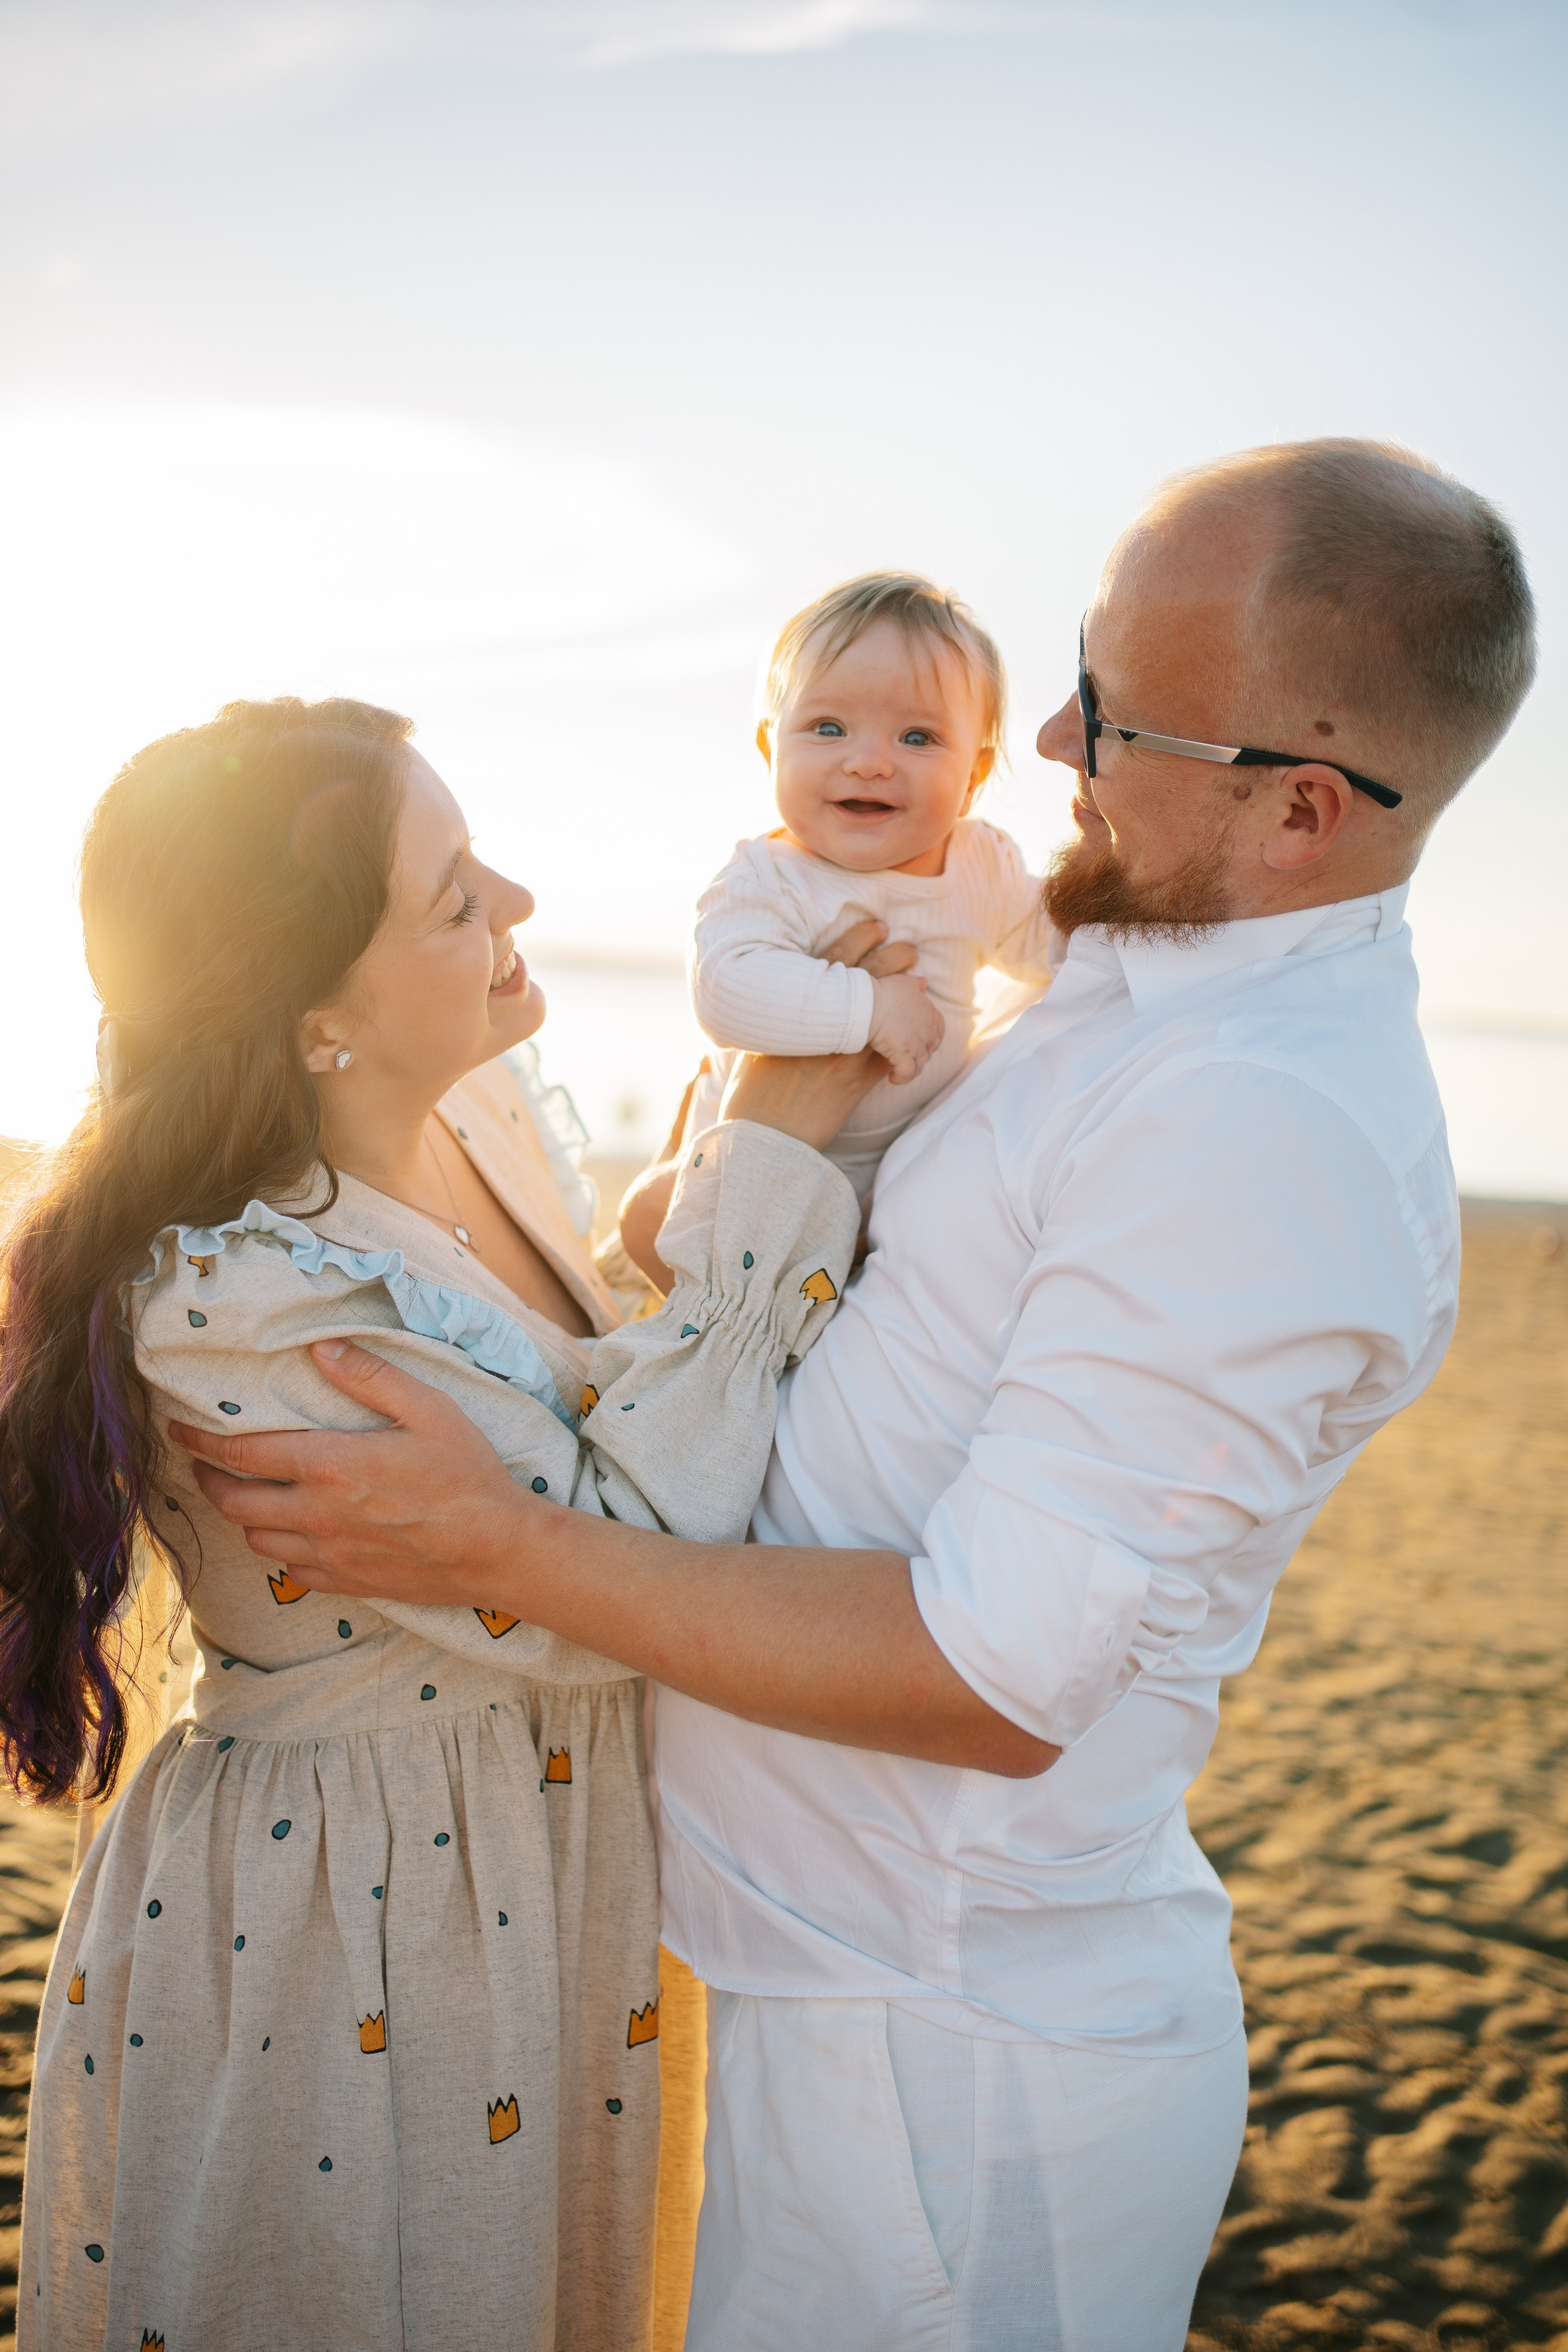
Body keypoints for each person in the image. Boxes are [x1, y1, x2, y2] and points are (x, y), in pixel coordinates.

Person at [175, 440, 1537, 2349]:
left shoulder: (1262, 1126)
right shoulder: (1137, 964)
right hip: (821, 1998)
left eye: (1114, 710)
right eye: (1074, 659)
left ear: (1301, 811)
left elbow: (987, 1672)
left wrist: (504, 1542)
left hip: (945, 2073)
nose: (1046, 732)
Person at [0, 695, 873, 2352]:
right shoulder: (244, 1302)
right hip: (366, 1913)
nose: (519, 909)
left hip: (533, 1866)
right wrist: (771, 1144)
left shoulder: (472, 1118)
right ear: (314, 1015)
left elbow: (592, 1410)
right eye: (457, 895)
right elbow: (620, 1555)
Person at [689, 570, 1054, 1200]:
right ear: (768, 746)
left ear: (975, 773)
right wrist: (869, 1009)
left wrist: (1147, 924)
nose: (869, 761)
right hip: (757, 1175)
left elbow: (1050, 941)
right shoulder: (770, 878)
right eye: (828, 728)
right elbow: (725, 989)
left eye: (917, 737)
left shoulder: (978, 864)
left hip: (910, 1167)